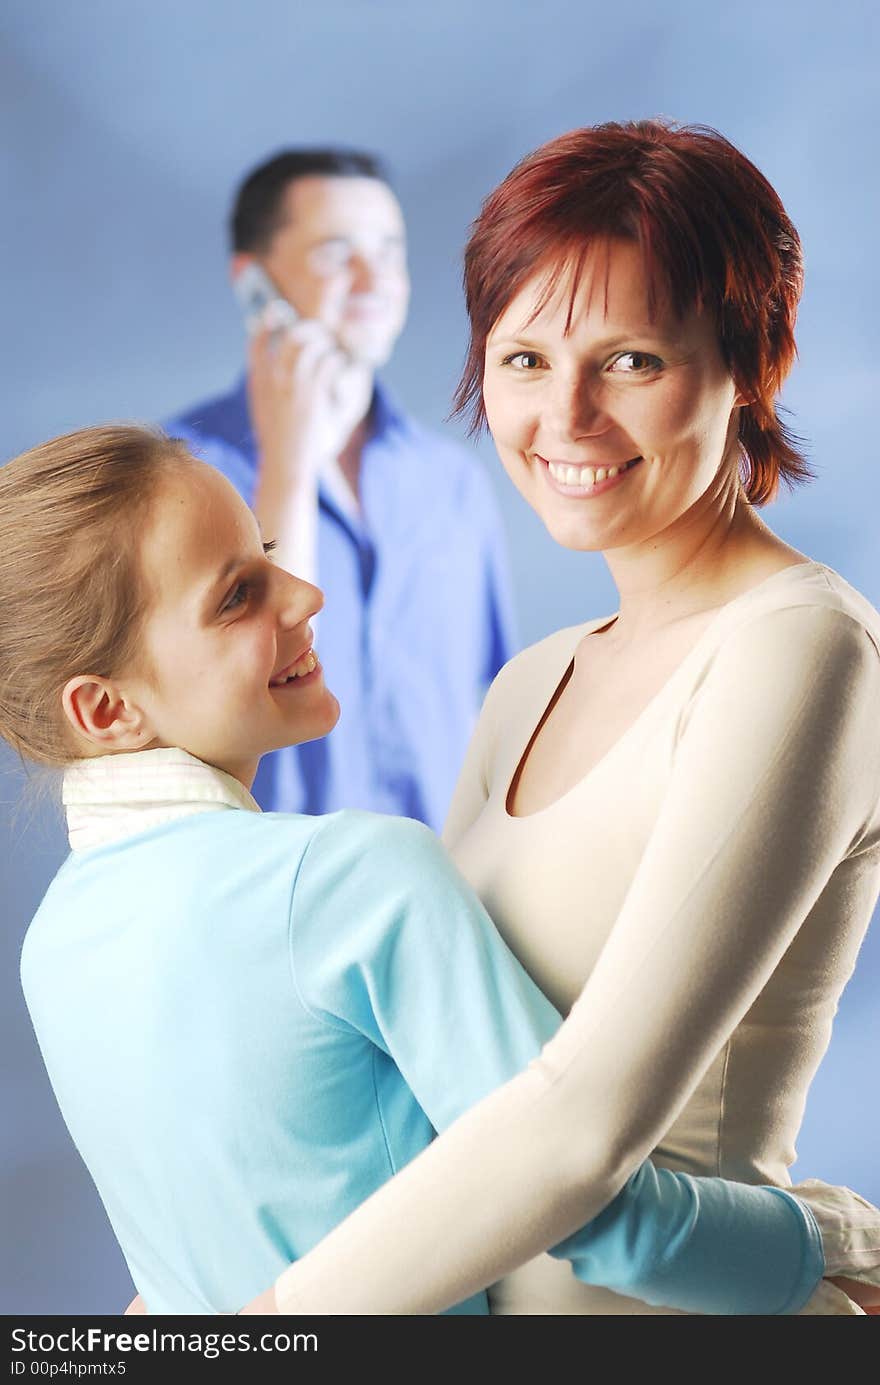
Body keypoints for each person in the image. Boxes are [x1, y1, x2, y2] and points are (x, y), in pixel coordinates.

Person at [232, 119, 880, 1316]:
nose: (566, 416)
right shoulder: (528, 681)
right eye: (524, 359)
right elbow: (425, 1096)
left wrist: (262, 1332)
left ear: (753, 364)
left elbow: (580, 1131)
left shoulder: (802, 647)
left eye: (630, 360)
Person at [3, 425, 869, 1316]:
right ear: (105, 709)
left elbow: (178, 1294)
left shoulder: (51, 951)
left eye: (267, 551)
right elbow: (605, 1218)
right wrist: (832, 1242)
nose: (305, 593)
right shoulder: (347, 879)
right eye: (237, 596)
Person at [165, 148, 515, 828]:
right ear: (253, 284)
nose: (374, 279)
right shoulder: (177, 478)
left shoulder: (453, 484)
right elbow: (249, 664)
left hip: (441, 890)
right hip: (278, 896)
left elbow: (492, 706)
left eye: (390, 252)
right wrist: (291, 456)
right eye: (335, 253)